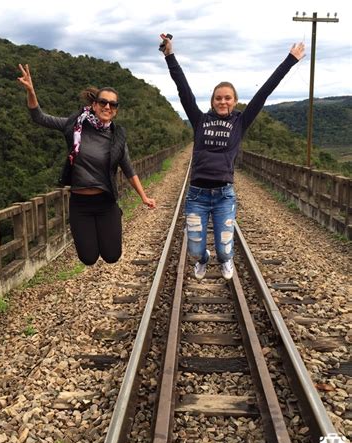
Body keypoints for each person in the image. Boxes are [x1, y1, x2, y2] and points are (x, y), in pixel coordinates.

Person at [159, 34, 305, 280]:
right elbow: (183, 90)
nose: (223, 101)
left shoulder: (240, 122)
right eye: (218, 98)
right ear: (212, 101)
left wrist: (290, 60)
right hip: (197, 194)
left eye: (228, 98)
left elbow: (265, 92)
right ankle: (203, 260)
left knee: (225, 250)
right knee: (194, 249)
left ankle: (226, 260)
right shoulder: (200, 120)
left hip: (224, 195)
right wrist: (169, 55)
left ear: (235, 101)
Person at [17, 64, 156, 266]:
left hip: (105, 202)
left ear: (116, 111)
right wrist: (31, 91)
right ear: (94, 104)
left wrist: (144, 197)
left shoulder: (117, 137)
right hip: (80, 204)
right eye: (103, 102)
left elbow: (128, 169)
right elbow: (39, 117)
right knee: (88, 258)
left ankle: (113, 217)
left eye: (113, 105)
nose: (107, 107)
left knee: (111, 256)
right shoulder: (75, 126)